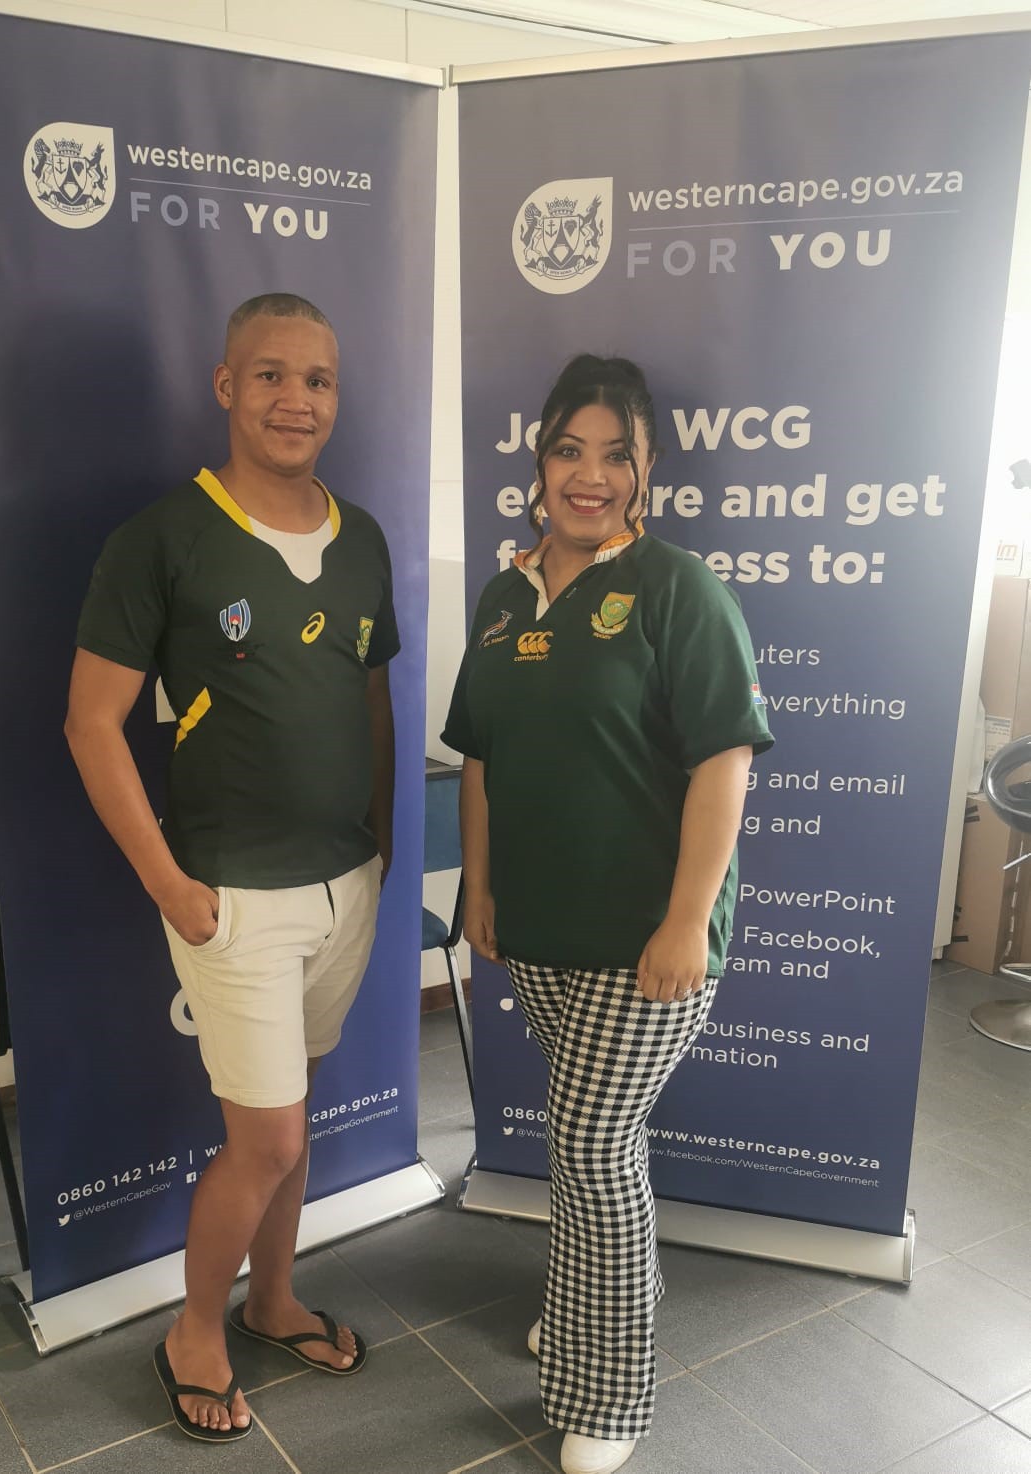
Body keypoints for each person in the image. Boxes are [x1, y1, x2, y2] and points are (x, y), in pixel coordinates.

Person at [65, 293, 397, 1442]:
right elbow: (91, 723)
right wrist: (170, 886)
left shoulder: (362, 538)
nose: (294, 399)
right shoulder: (161, 539)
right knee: (270, 1140)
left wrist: (380, 842)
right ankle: (193, 1330)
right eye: (269, 375)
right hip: (232, 897)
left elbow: (371, 698)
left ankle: (272, 1298)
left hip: (344, 883)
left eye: (317, 379)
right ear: (224, 386)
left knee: (291, 1115)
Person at [443, 354, 773, 1474]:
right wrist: (479, 886)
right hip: (538, 931)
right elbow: (480, 757)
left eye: (615, 455)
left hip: (647, 945)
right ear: (539, 462)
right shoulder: (503, 596)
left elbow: (724, 761)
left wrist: (686, 920)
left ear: (646, 469)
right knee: (587, 1145)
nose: (590, 475)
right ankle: (589, 1299)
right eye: (569, 450)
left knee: (589, 1147)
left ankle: (608, 1389)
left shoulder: (679, 589)